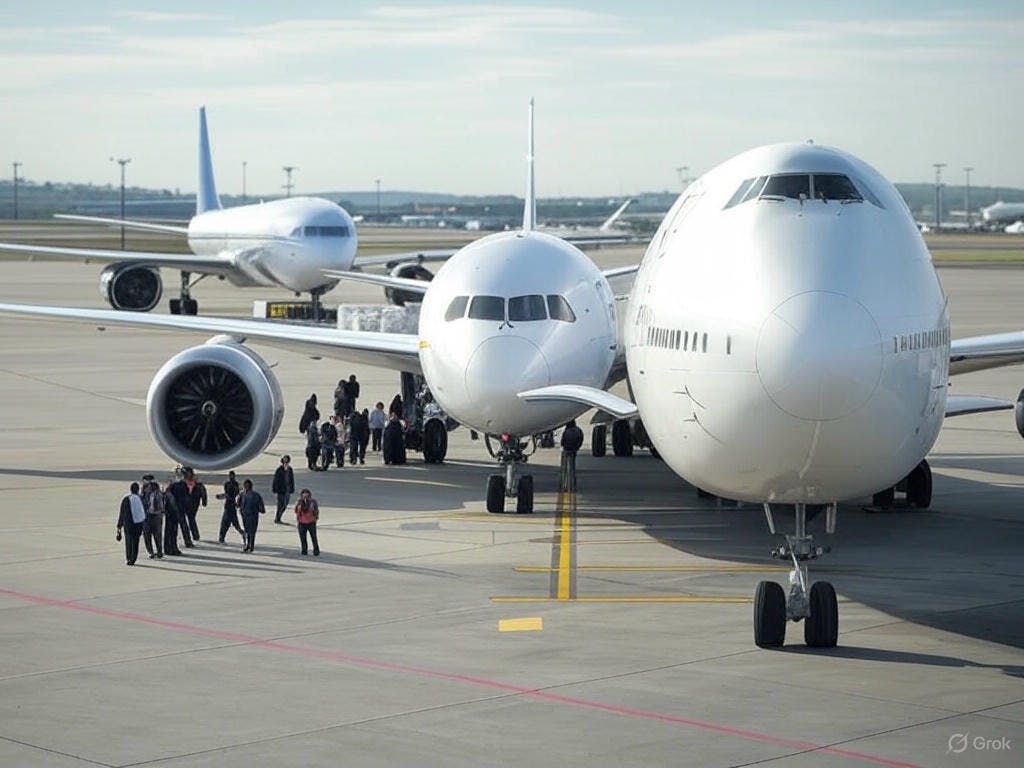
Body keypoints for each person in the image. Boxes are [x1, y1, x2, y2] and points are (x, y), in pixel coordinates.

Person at [116, 482, 146, 566]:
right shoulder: (140, 499)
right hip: (138, 525)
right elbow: (143, 513)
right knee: (135, 542)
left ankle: (129, 557)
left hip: (128, 525)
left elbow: (122, 513)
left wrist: (119, 525)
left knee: (128, 542)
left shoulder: (126, 499)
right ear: (137, 490)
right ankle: (133, 558)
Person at [167, 469, 196, 549]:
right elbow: (187, 495)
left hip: (175, 509)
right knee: (183, 526)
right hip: (181, 508)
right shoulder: (182, 485)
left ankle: (173, 545)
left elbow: (168, 495)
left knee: (175, 528)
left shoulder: (173, 486)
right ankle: (187, 541)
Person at [237, 479, 266, 553]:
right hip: (246, 515)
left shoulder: (254, 495)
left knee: (251, 531)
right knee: (248, 531)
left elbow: (261, 507)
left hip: (252, 515)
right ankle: (248, 545)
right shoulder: (243, 494)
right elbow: (238, 504)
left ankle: (250, 545)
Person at [217, 470, 244, 542]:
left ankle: (221, 537)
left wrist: (222, 496)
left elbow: (229, 494)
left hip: (230, 506)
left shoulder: (234, 485)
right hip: (230, 506)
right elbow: (227, 494)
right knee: (234, 524)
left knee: (226, 523)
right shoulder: (231, 484)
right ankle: (242, 533)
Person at [141, 474, 164, 559]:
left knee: (157, 534)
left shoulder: (157, 492)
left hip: (156, 516)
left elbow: (161, 504)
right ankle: (150, 552)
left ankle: (159, 551)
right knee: (147, 535)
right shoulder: (143, 492)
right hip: (147, 516)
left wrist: (159, 512)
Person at [162, 477, 186, 556]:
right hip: (172, 514)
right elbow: (174, 503)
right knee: (172, 531)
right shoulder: (173, 492)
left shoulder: (169, 492)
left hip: (170, 513)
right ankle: (171, 548)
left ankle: (170, 548)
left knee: (171, 532)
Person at [182, 467, 207, 542]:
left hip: (194, 502)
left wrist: (204, 500)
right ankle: (192, 535)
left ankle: (195, 535)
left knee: (191, 518)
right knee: (187, 519)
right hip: (184, 502)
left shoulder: (197, 483)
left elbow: (203, 491)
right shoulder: (182, 482)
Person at [293, 488, 320, 556]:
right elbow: (296, 511)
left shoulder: (313, 502)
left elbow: (316, 511)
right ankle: (304, 550)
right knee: (303, 538)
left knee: (313, 537)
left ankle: (316, 550)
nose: (305, 497)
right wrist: (299, 507)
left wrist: (314, 513)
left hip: (311, 522)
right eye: (304, 495)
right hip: (302, 522)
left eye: (307, 495)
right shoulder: (299, 502)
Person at [560, 419, 585, 486]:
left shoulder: (566, 431)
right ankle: (573, 482)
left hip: (566, 450)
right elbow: (581, 439)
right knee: (572, 468)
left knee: (564, 468)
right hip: (574, 450)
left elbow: (562, 442)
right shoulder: (578, 431)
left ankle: (563, 483)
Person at [272, 456, 295, 523]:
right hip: (281, 490)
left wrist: (292, 488)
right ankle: (277, 518)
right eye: (284, 461)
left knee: (285, 504)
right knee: (280, 504)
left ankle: (279, 516)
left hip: (287, 489)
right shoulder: (279, 469)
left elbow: (291, 479)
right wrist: (275, 488)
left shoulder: (290, 469)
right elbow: (275, 480)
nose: (286, 462)